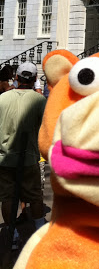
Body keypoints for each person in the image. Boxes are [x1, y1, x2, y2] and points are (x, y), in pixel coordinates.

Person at [0, 62, 46, 249]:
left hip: (4, 157)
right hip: (29, 157)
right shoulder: (39, 100)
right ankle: (38, 233)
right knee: (35, 197)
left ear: (17, 78)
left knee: (7, 198)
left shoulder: (2, 98)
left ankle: (12, 235)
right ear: (35, 79)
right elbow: (46, 128)